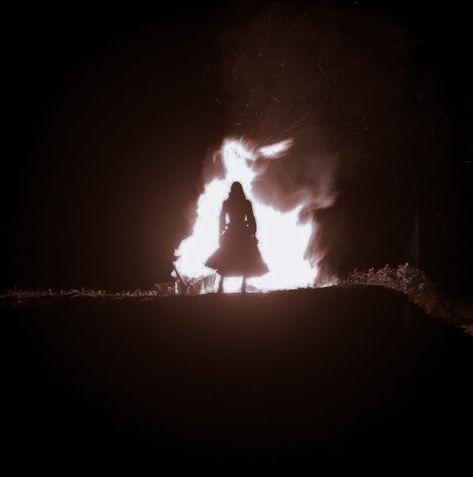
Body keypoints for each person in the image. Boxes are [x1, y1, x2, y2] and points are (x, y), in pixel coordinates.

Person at [206, 182, 269, 293]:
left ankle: (221, 285)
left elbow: (221, 220)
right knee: (245, 260)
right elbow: (251, 220)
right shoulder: (245, 203)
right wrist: (253, 233)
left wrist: (221, 233)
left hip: (232, 233)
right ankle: (242, 286)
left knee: (227, 259)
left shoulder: (227, 203)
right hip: (242, 233)